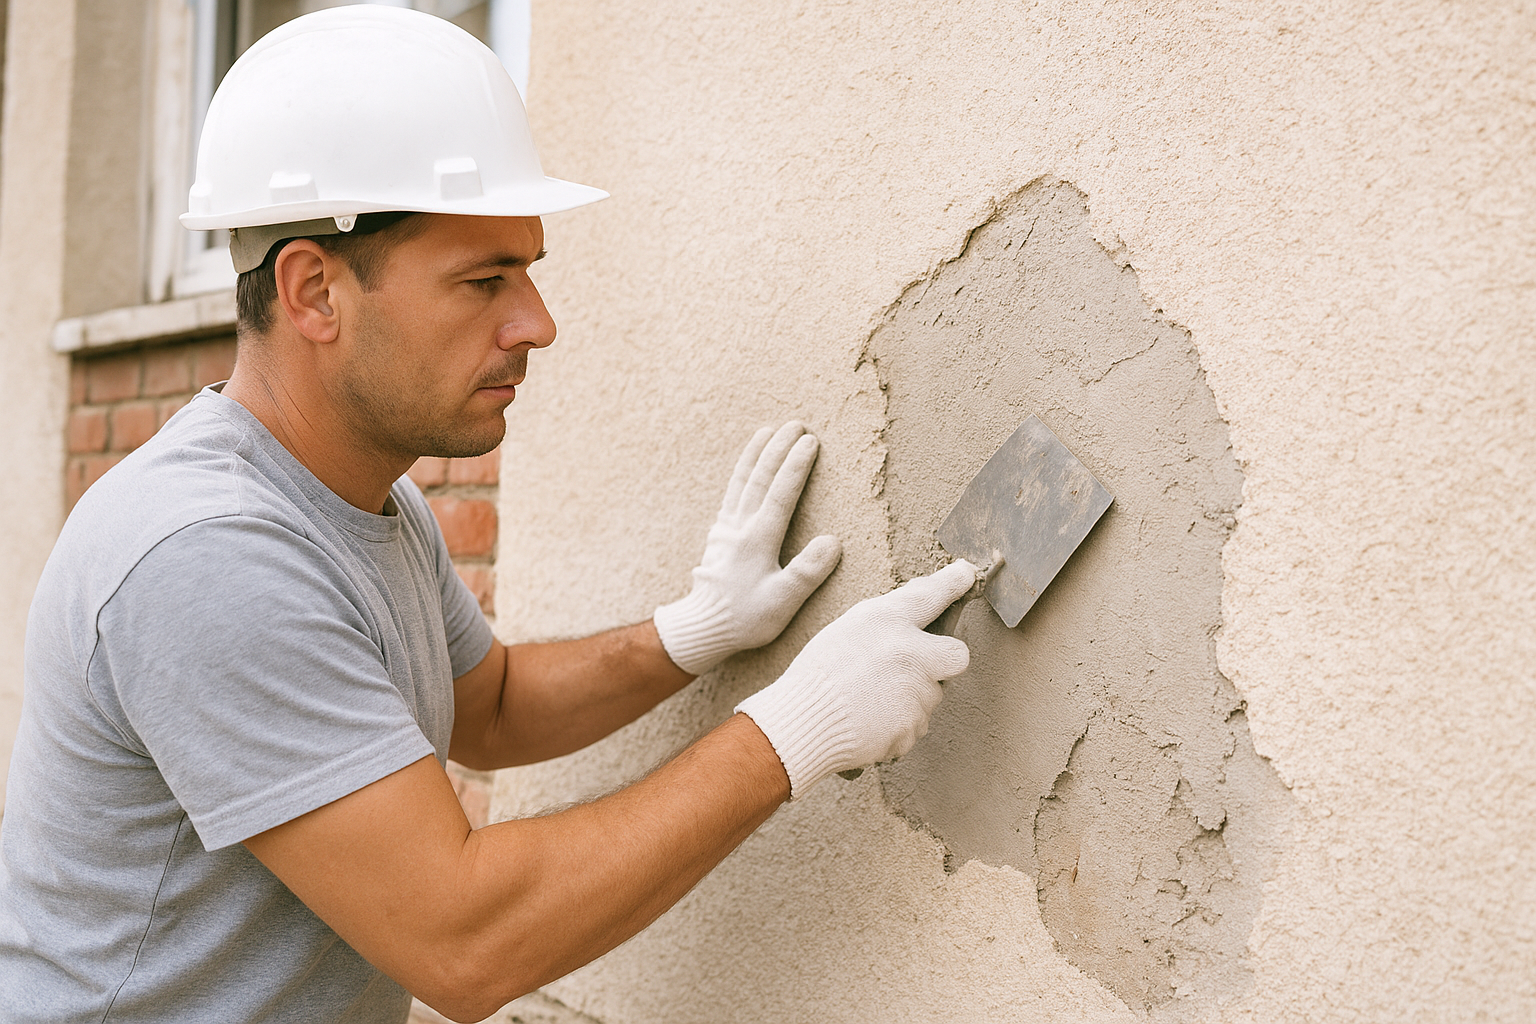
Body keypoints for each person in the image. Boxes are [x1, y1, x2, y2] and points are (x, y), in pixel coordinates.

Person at [0, 8, 975, 1023]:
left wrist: (691, 634)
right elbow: (463, 940)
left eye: (529, 271)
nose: (537, 325)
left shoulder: (367, 500)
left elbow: (490, 704)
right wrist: (794, 728)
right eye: (483, 281)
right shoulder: (206, 554)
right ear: (314, 291)